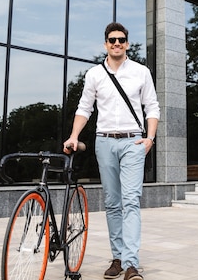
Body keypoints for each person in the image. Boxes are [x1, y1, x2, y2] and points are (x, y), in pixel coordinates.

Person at [64, 22, 159, 280]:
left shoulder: (141, 72)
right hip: (104, 142)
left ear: (127, 43)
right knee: (112, 203)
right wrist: (74, 136)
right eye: (112, 40)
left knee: (131, 201)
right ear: (105, 44)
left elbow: (152, 107)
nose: (117, 43)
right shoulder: (94, 74)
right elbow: (85, 108)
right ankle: (117, 257)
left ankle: (130, 264)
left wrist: (149, 138)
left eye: (121, 39)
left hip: (133, 143)